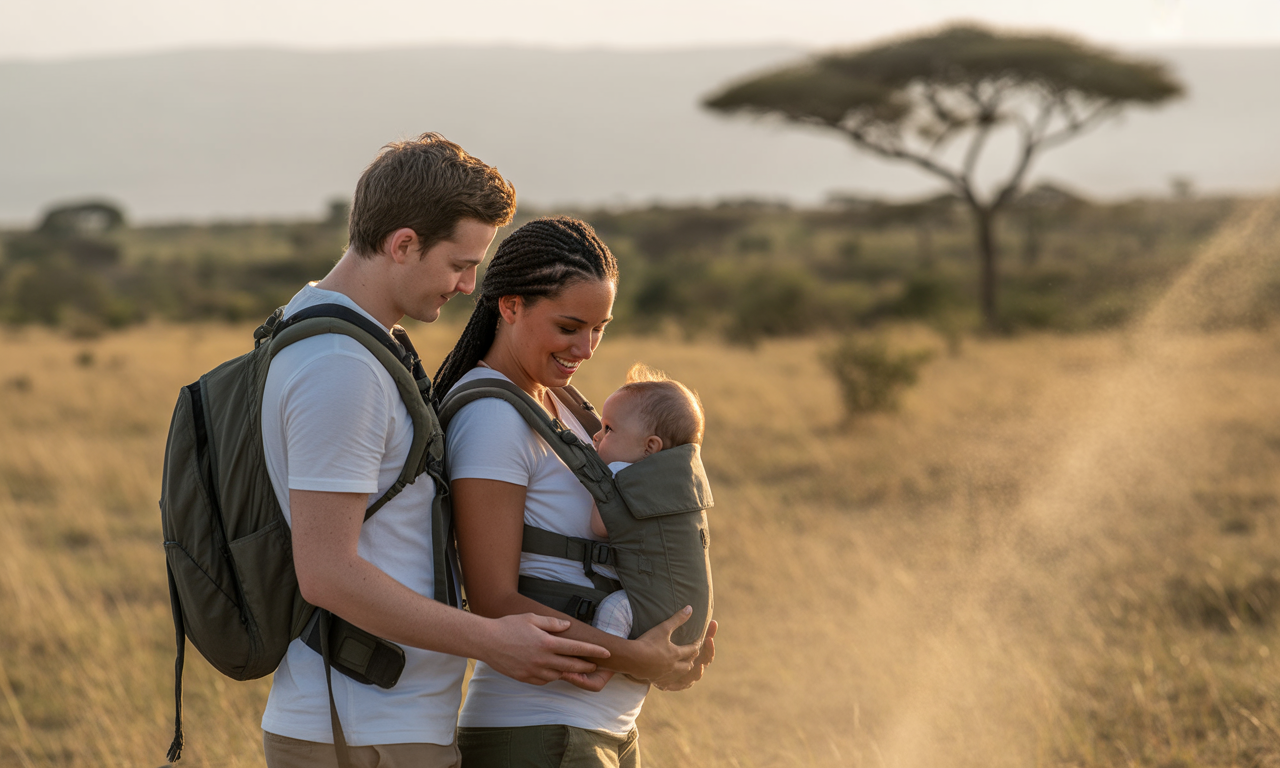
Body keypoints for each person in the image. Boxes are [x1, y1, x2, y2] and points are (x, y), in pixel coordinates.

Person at [258, 134, 611, 768]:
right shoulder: (340, 366)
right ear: (402, 244)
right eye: (460, 264)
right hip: (362, 727)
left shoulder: (347, 342)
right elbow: (326, 571)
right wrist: (491, 639)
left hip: (381, 719)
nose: (469, 283)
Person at [435, 216, 716, 768]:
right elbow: (493, 601)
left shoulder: (565, 404)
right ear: (509, 306)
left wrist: (672, 651)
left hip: (599, 727)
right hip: (541, 728)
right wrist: (638, 655)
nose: (585, 347)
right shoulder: (492, 417)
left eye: (600, 327)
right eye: (569, 326)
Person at [587, 363, 708, 648]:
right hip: (686, 609)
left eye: (608, 429)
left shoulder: (622, 473)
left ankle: (604, 666)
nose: (596, 436)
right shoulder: (677, 481)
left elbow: (599, 525)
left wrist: (594, 480)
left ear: (650, 447)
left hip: (653, 603)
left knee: (614, 610)